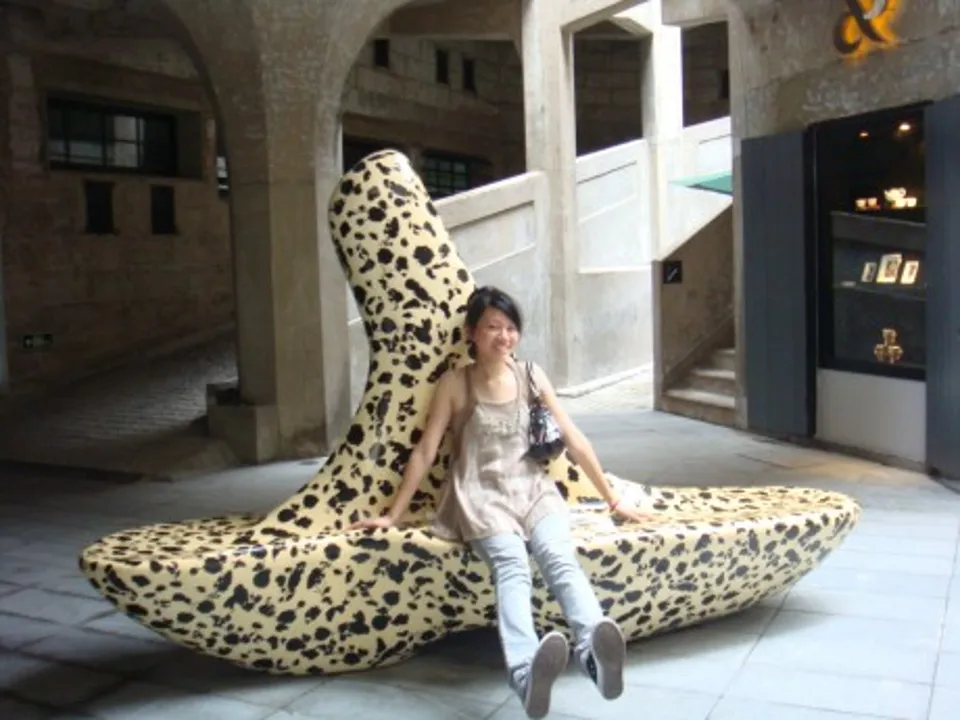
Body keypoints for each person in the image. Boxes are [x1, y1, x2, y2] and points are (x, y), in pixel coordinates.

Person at [351, 286, 649, 719]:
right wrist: (392, 516)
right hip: (480, 496)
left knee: (558, 557)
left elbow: (573, 438)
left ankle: (593, 654)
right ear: (472, 333)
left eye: (511, 328)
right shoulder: (455, 384)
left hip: (533, 490)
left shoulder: (531, 375)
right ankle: (525, 672)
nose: (504, 336)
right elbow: (426, 451)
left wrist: (613, 498)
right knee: (512, 565)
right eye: (493, 327)